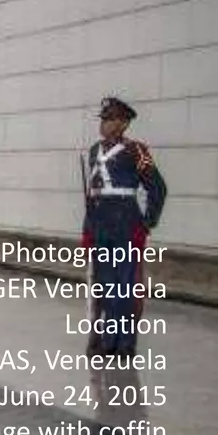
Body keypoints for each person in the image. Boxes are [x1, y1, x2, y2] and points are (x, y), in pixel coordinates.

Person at [82, 96, 165, 357]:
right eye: (103, 120)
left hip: (125, 220)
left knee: (125, 284)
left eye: (109, 120)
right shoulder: (94, 150)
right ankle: (107, 341)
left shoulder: (136, 151)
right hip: (101, 221)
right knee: (105, 284)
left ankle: (125, 344)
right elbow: (92, 193)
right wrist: (88, 230)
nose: (104, 124)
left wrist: (147, 221)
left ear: (123, 123)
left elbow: (158, 188)